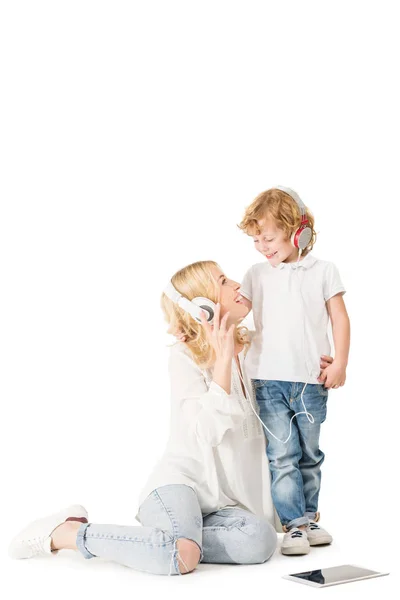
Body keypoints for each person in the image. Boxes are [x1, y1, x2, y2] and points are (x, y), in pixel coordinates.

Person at [9, 260, 334, 574]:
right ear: (202, 307)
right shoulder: (185, 358)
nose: (237, 284)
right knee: (183, 557)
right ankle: (65, 534)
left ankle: (167, 539)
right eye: (222, 282)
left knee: (259, 541)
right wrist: (221, 360)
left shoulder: (258, 351)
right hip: (179, 486)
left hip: (223, 509)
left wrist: (318, 365)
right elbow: (205, 433)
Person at [238, 186, 350, 556]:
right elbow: (236, 311)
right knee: (281, 454)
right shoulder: (256, 273)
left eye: (268, 237)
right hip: (268, 380)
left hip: (311, 382)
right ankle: (294, 525)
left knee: (310, 453)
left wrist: (341, 362)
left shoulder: (323, 271)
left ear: (297, 230)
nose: (261, 246)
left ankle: (310, 515)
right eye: (256, 239)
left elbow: (339, 317)